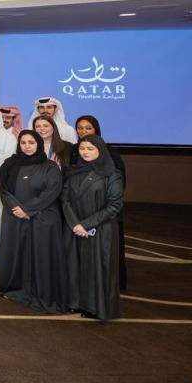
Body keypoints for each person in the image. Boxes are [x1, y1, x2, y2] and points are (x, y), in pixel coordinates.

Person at [0, 130, 69, 313]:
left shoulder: (50, 166)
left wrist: (27, 209)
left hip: (42, 217)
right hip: (15, 217)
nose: (27, 146)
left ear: (39, 144)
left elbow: (53, 190)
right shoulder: (9, 164)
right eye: (23, 143)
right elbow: (3, 189)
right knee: (17, 252)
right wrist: (16, 208)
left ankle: (41, 293)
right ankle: (16, 288)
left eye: (31, 143)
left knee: (42, 256)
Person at [62, 136, 124, 320]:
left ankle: (97, 308)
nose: (85, 152)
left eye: (90, 148)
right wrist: (75, 224)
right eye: (82, 148)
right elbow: (64, 200)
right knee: (75, 266)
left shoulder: (112, 174)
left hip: (100, 228)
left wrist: (86, 225)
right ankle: (76, 302)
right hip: (74, 228)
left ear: (100, 151)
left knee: (98, 267)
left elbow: (114, 205)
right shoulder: (73, 171)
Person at [74, 114, 127, 289]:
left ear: (96, 129)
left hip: (103, 214)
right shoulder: (74, 150)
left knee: (105, 255)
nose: (83, 131)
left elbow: (118, 185)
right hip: (79, 214)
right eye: (80, 128)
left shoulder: (109, 151)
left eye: (88, 128)